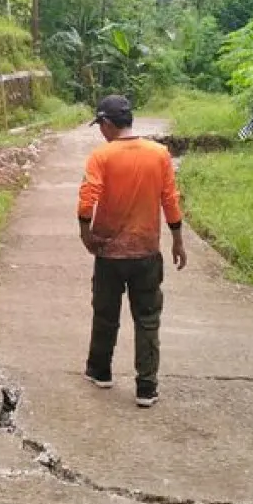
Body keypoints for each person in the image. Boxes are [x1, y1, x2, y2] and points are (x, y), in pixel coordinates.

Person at [77, 95, 188, 408]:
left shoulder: (102, 156)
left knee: (105, 313)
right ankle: (146, 387)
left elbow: (87, 198)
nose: (101, 131)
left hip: (109, 252)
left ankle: (100, 370)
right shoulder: (159, 154)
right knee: (148, 319)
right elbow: (170, 199)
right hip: (146, 252)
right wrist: (177, 240)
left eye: (101, 125)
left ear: (109, 124)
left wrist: (86, 234)